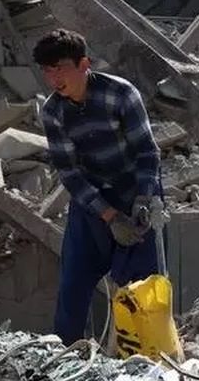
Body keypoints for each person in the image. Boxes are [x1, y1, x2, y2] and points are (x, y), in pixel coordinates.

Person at [35, 29, 163, 344]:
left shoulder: (120, 94)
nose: (55, 79)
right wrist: (108, 215)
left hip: (135, 192)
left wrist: (143, 201)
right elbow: (70, 173)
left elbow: (147, 151)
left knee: (142, 287)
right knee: (74, 284)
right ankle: (64, 355)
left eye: (61, 68)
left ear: (84, 64)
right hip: (92, 201)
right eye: (48, 72)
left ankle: (143, 358)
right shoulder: (53, 112)